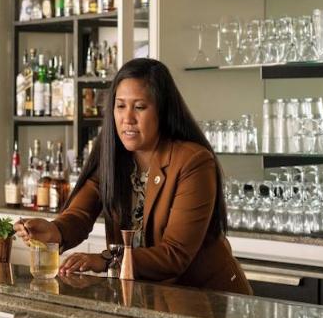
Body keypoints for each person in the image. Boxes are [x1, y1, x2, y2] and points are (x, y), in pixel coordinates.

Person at [14, 58, 251, 294]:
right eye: (120, 106)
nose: (127, 118)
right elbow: (80, 214)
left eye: (139, 107)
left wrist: (106, 260)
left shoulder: (193, 161)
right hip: (150, 296)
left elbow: (175, 254)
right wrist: (54, 231)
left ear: (162, 110)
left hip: (208, 299)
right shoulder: (113, 157)